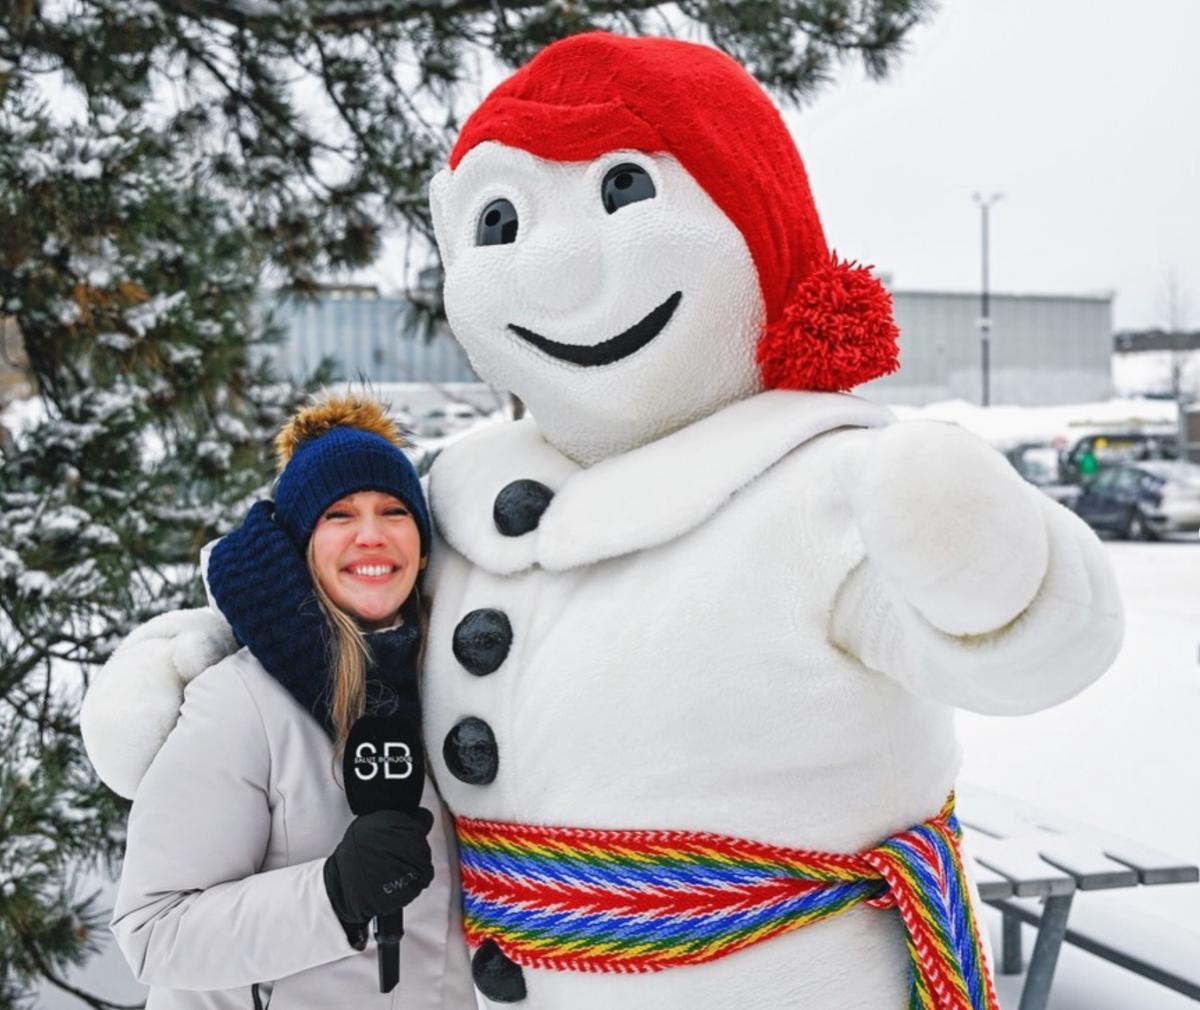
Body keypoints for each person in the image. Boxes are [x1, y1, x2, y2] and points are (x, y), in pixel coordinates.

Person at [82, 392, 475, 1009]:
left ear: (422, 545)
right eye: (338, 516)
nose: (371, 536)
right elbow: (153, 932)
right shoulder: (242, 701)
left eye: (394, 511)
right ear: (300, 544)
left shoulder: (453, 691)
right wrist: (331, 895)